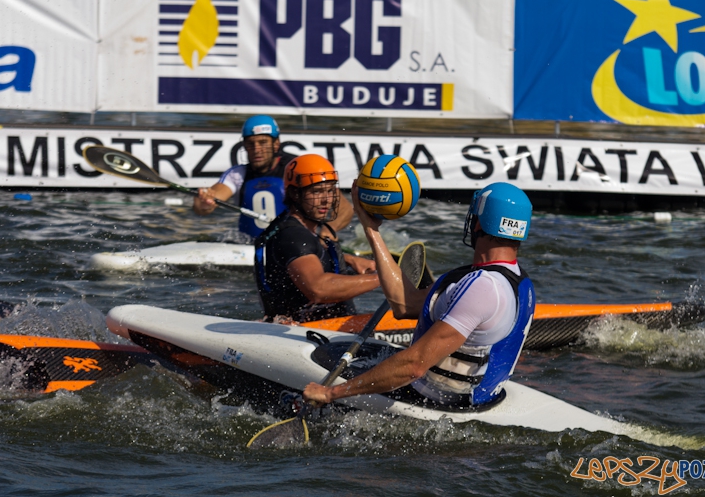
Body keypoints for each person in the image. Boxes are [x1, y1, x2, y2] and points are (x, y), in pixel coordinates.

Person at [303, 182, 536, 407]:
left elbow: (414, 365)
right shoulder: (518, 281)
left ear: (478, 225)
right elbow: (405, 305)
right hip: (476, 399)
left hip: (436, 402)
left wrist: (331, 393)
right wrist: (370, 229)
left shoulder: (482, 287)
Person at [254, 154, 381, 322]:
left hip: (325, 327)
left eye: (330, 191)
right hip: (303, 334)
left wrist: (348, 259)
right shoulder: (293, 236)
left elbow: (305, 258)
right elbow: (318, 288)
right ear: (295, 194)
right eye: (317, 191)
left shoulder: (302, 229)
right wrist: (382, 278)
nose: (326, 200)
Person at [193, 115, 353, 240]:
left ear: (276, 144)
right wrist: (205, 202)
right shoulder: (237, 174)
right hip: (251, 245)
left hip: (298, 244)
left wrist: (328, 230)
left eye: (263, 143)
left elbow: (345, 209)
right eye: (251, 144)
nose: (257, 149)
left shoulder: (298, 169)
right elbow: (208, 203)